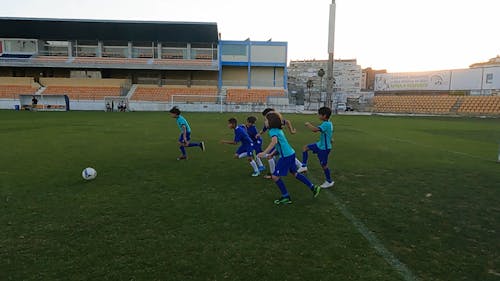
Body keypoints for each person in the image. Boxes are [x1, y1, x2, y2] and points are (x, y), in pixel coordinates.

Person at [257, 112, 320, 205]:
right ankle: (313, 187)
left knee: (275, 176)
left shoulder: (272, 131)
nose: (265, 122)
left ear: (271, 122)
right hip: (290, 154)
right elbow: (281, 145)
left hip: (286, 157)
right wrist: (273, 154)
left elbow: (274, 142)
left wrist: (264, 152)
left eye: (266, 120)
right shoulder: (277, 130)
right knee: (294, 173)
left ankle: (286, 197)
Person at [257, 108, 302, 177]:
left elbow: (287, 122)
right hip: (280, 143)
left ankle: (273, 174)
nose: (265, 120)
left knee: (274, 155)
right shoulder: (269, 123)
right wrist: (259, 134)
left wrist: (292, 131)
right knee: (287, 155)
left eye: (266, 117)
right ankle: (300, 166)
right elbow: (263, 130)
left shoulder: (275, 121)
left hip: (279, 142)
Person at [298, 107, 335, 188]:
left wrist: (308, 124)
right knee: (305, 148)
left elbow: (315, 130)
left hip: (324, 148)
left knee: (324, 165)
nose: (318, 115)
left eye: (319, 114)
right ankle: (303, 166)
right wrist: (330, 139)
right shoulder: (329, 123)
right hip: (320, 145)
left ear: (324, 115)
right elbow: (329, 133)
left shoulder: (326, 124)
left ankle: (329, 181)